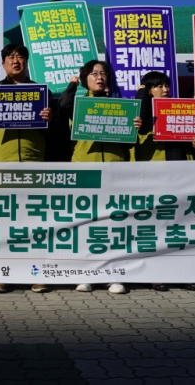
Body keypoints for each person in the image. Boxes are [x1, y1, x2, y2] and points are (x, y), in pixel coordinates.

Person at [0, 44, 52, 293]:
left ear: (26, 61)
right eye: (10, 57)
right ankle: (2, 274)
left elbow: (56, 128)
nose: (16, 61)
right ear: (3, 63)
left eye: (20, 57)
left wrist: (50, 116)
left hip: (33, 163)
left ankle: (35, 273)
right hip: (1, 164)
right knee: (3, 222)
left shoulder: (40, 91)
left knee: (34, 223)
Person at [58, 60, 141, 295]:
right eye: (94, 74)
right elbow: (63, 105)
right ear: (85, 79)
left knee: (114, 224)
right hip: (85, 168)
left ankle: (113, 275)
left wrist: (135, 125)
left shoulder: (121, 105)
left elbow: (131, 140)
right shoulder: (77, 103)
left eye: (103, 73)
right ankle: (86, 274)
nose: (99, 77)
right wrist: (72, 85)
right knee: (86, 224)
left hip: (115, 168)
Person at [132, 71, 195, 292]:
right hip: (153, 178)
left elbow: (193, 144)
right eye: (158, 86)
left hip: (179, 175)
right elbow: (138, 122)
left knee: (179, 227)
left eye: (166, 86)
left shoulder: (180, 110)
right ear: (148, 90)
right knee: (154, 227)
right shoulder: (141, 114)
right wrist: (142, 95)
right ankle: (155, 274)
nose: (165, 90)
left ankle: (183, 272)